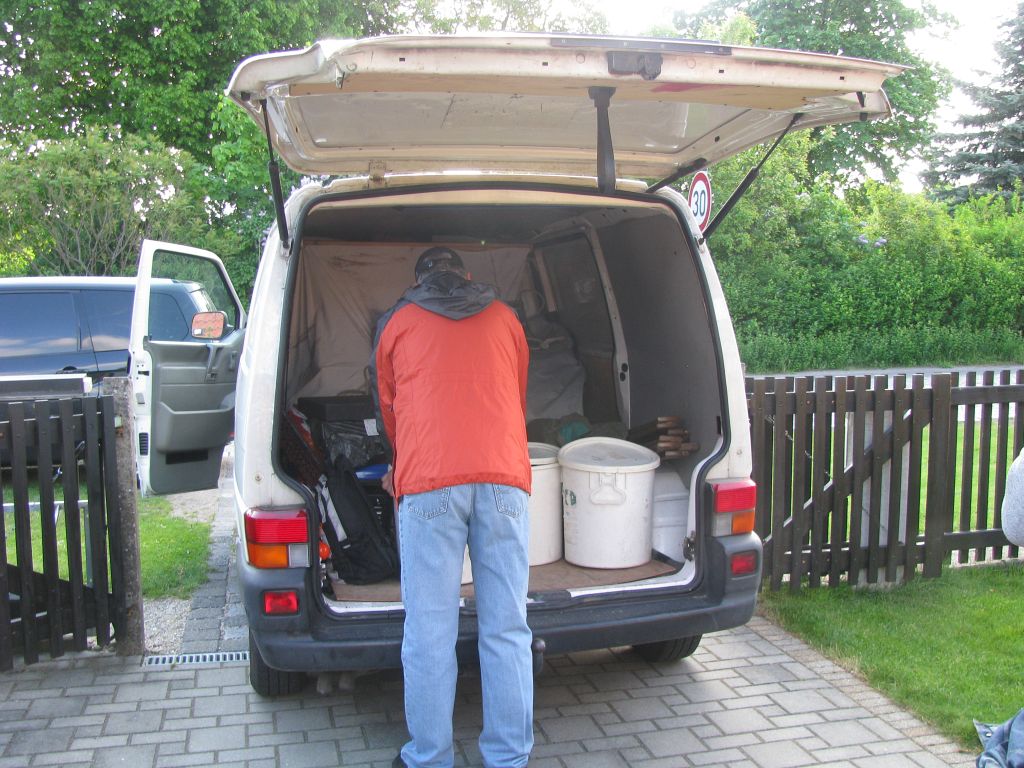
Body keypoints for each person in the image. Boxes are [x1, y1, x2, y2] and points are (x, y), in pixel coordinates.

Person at [372, 246, 534, 768]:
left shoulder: (397, 323)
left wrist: (401, 460)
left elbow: (389, 407)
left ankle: (428, 758)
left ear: (419, 281)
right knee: (507, 627)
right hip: (503, 477)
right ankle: (509, 758)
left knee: (429, 632)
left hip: (429, 481)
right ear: (467, 275)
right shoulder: (505, 317)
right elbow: (516, 394)